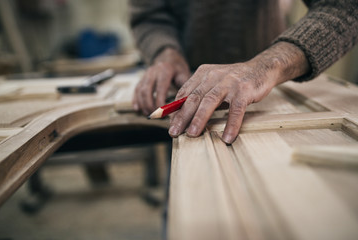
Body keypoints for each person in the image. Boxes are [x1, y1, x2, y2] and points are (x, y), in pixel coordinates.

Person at [130, 0, 358, 144]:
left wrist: (266, 65)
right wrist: (164, 51)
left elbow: (346, 7)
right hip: (185, 96)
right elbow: (148, 15)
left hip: (271, 90)